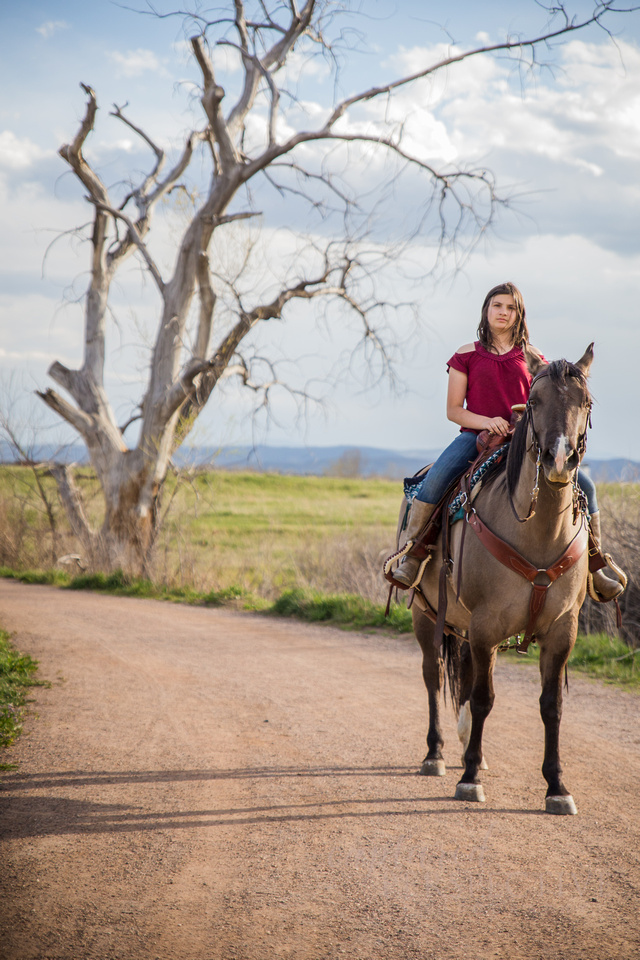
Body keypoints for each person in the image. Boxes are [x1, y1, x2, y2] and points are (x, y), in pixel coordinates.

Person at [393, 281, 625, 600]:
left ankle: (596, 567)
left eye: (510, 307)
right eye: (497, 306)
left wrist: (528, 427)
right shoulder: (465, 355)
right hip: (476, 437)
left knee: (586, 487)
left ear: (519, 314)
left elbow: (544, 403)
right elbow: (453, 411)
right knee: (434, 482)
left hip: (524, 440)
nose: (503, 312)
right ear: (486, 311)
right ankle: (413, 556)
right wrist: (487, 421)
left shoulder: (533, 358)